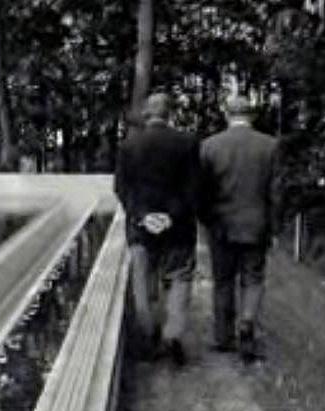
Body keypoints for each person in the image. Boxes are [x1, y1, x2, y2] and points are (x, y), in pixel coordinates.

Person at [114, 92, 201, 366]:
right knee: (179, 278)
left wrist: (143, 216)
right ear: (169, 113)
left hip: (141, 229)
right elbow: (193, 189)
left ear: (146, 114)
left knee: (143, 282)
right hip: (179, 229)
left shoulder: (128, 146)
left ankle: (148, 339)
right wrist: (171, 217)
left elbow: (121, 188)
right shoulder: (187, 143)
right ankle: (172, 334)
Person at [200, 95, 282, 363]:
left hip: (221, 225)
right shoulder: (270, 146)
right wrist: (275, 226)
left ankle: (223, 337)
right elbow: (276, 192)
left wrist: (206, 219)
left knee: (223, 281)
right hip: (256, 224)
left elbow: (201, 191)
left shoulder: (209, 146)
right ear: (253, 116)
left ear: (227, 114)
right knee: (253, 278)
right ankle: (247, 323)